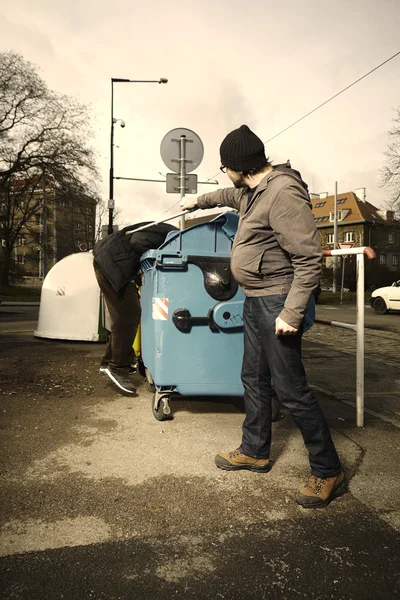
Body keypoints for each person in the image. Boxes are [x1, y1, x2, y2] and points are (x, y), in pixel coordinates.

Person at [180, 125, 345, 508]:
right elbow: (227, 194)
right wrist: (197, 201)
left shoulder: (283, 193)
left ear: (239, 166)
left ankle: (327, 469)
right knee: (252, 377)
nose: (225, 175)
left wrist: (291, 312)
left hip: (278, 302)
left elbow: (308, 261)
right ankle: (255, 450)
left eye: (225, 168)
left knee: (292, 390)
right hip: (255, 300)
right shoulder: (251, 190)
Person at [93, 221, 177, 394]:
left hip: (108, 261)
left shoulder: (164, 230)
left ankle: (108, 362)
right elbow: (138, 242)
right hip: (113, 264)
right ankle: (118, 368)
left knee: (125, 316)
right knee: (127, 317)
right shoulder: (169, 234)